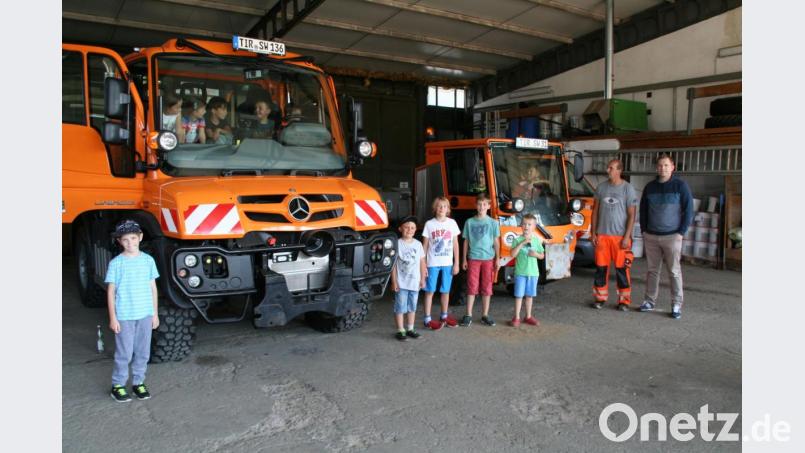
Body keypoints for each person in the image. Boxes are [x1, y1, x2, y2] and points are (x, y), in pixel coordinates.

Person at [104, 220, 160, 402]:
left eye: (133, 238)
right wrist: (113, 318)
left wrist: (155, 314)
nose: (130, 243)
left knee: (143, 351)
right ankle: (118, 385)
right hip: (125, 316)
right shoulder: (116, 263)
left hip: (145, 314)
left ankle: (138, 382)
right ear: (120, 241)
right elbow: (111, 291)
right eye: (125, 240)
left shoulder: (148, 261)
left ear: (140, 237)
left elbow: (153, 288)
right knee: (125, 353)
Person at [638, 154, 694, 319]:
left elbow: (689, 210)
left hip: (672, 236)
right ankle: (649, 301)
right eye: (660, 165)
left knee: (674, 271)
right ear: (657, 168)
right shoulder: (650, 187)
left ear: (672, 167)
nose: (663, 168)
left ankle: (676, 303)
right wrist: (644, 231)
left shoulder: (680, 186)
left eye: (666, 165)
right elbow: (643, 211)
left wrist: (681, 233)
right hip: (652, 237)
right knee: (652, 271)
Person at [591, 159, 638, 311]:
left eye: (611, 168)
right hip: (602, 236)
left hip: (620, 238)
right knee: (600, 270)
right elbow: (595, 212)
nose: (608, 170)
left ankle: (624, 301)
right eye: (608, 167)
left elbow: (632, 215)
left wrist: (626, 236)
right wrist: (593, 233)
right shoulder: (601, 188)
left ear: (619, 170)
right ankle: (599, 298)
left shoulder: (628, 189)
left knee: (622, 271)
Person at [460, 193, 500, 327]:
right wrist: (464, 259)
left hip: (488, 259)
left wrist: (498, 259)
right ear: (475, 205)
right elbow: (465, 242)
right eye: (479, 204)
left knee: (487, 287)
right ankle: (468, 314)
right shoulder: (469, 222)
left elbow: (496, 242)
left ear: (489, 206)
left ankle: (485, 315)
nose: (482, 207)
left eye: (484, 204)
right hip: (473, 258)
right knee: (472, 286)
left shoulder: (493, 223)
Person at [421, 197, 461, 330]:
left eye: (444, 206)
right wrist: (423, 265)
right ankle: (427, 319)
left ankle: (444, 316)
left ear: (448, 209)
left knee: (445, 291)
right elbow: (425, 246)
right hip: (432, 263)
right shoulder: (429, 224)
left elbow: (455, 244)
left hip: (447, 263)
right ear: (435, 209)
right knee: (430, 291)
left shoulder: (452, 223)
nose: (442, 209)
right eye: (439, 206)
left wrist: (456, 263)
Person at [389, 216, 426, 341]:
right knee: (400, 307)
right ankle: (400, 330)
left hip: (414, 283)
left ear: (416, 230)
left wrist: (422, 279)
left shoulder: (418, 244)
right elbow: (393, 265)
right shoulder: (397, 244)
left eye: (412, 228)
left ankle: (410, 328)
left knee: (412, 307)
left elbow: (422, 262)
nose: (409, 230)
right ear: (400, 228)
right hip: (402, 283)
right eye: (406, 227)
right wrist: (394, 281)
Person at [508, 214, 545, 327]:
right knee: (519, 296)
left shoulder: (536, 240)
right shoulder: (517, 239)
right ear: (521, 225)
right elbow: (512, 254)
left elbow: (542, 255)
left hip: (533, 273)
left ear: (534, 227)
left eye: (529, 224)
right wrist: (522, 243)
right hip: (520, 273)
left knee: (529, 296)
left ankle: (528, 316)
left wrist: (536, 254)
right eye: (524, 224)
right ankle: (517, 317)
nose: (526, 226)